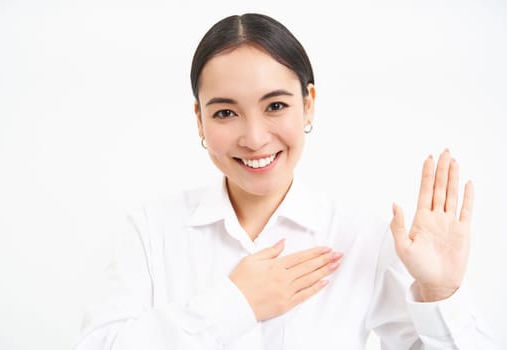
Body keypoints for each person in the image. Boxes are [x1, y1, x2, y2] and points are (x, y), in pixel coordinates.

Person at [74, 13, 498, 349]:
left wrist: (441, 292)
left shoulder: (361, 240)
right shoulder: (151, 232)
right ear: (199, 119)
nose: (255, 138)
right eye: (224, 112)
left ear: (308, 105)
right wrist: (233, 304)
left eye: (275, 105)